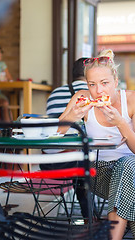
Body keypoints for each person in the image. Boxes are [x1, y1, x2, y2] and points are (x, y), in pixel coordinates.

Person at [58, 49, 135, 240]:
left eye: (104, 83)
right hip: (101, 174)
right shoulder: (82, 97)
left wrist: (121, 123)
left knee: (126, 164)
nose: (98, 91)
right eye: (92, 84)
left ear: (115, 80)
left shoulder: (134, 99)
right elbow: (54, 135)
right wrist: (73, 116)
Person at [42, 57, 92, 220]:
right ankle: (89, 217)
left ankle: (88, 216)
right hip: (80, 163)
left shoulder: (55, 93)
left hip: (51, 164)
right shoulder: (92, 94)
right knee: (85, 160)